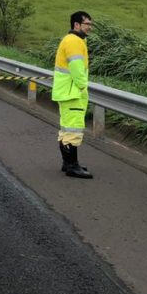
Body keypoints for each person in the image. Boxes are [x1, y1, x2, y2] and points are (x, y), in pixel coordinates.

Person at [51, 11, 94, 179]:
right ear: (76, 25)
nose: (90, 27)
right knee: (73, 130)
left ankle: (68, 163)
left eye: (90, 24)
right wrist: (83, 87)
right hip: (72, 92)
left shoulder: (73, 40)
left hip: (67, 91)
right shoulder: (74, 41)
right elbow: (77, 69)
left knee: (67, 129)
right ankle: (72, 165)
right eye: (87, 24)